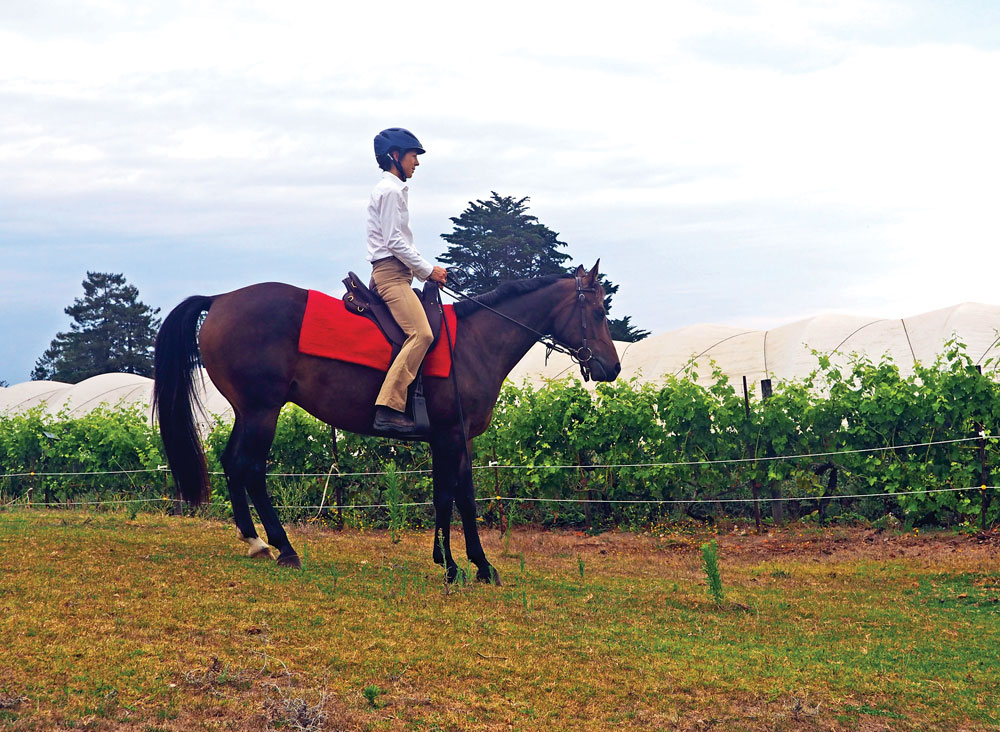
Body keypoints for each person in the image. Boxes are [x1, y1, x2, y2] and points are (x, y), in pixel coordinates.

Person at [367, 127, 448, 433]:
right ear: (396, 157)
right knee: (422, 334)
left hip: (400, 272)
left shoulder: (395, 190)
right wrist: (429, 271)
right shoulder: (389, 192)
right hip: (392, 276)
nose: (417, 162)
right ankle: (388, 407)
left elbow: (402, 242)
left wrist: (425, 270)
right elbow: (394, 242)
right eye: (414, 155)